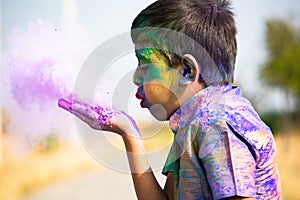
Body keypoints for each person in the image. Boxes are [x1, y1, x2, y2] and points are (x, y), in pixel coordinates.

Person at [58, 0, 282, 199]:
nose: (136, 77)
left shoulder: (216, 124)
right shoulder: (191, 122)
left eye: (144, 63)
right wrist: (129, 133)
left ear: (186, 70)